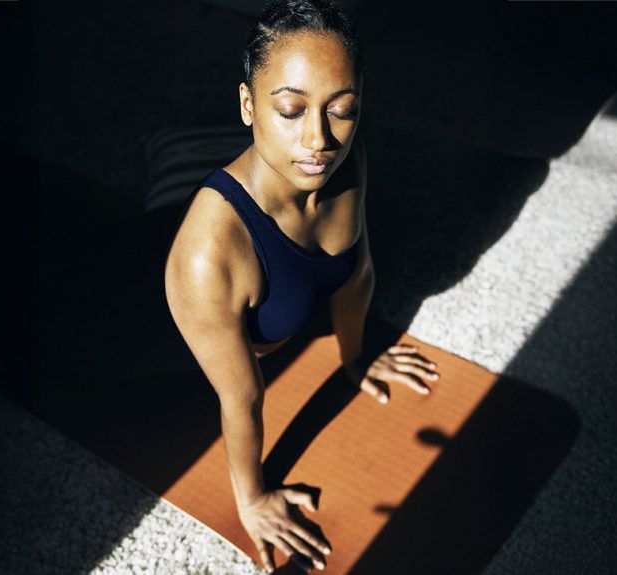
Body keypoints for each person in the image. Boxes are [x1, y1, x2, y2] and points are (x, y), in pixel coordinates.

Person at [163, 1, 440, 571]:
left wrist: (357, 358)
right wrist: (254, 497)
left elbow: (356, 274)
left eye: (342, 109)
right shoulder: (207, 256)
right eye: (290, 109)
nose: (320, 139)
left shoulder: (347, 159)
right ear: (247, 104)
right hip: (136, 334)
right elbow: (241, 396)